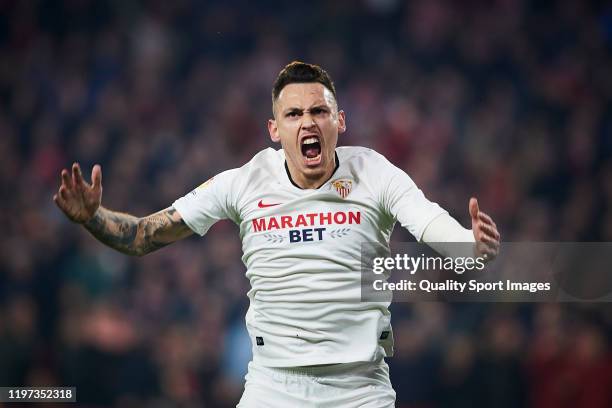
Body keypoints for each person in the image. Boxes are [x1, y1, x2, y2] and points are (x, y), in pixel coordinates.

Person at [54, 61, 500, 407]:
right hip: (273, 386)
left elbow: (430, 223)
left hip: (360, 387)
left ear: (338, 121)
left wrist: (471, 246)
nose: (307, 122)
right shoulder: (243, 182)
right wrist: (94, 217)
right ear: (275, 129)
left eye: (318, 111)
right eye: (294, 114)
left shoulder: (374, 171)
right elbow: (143, 235)